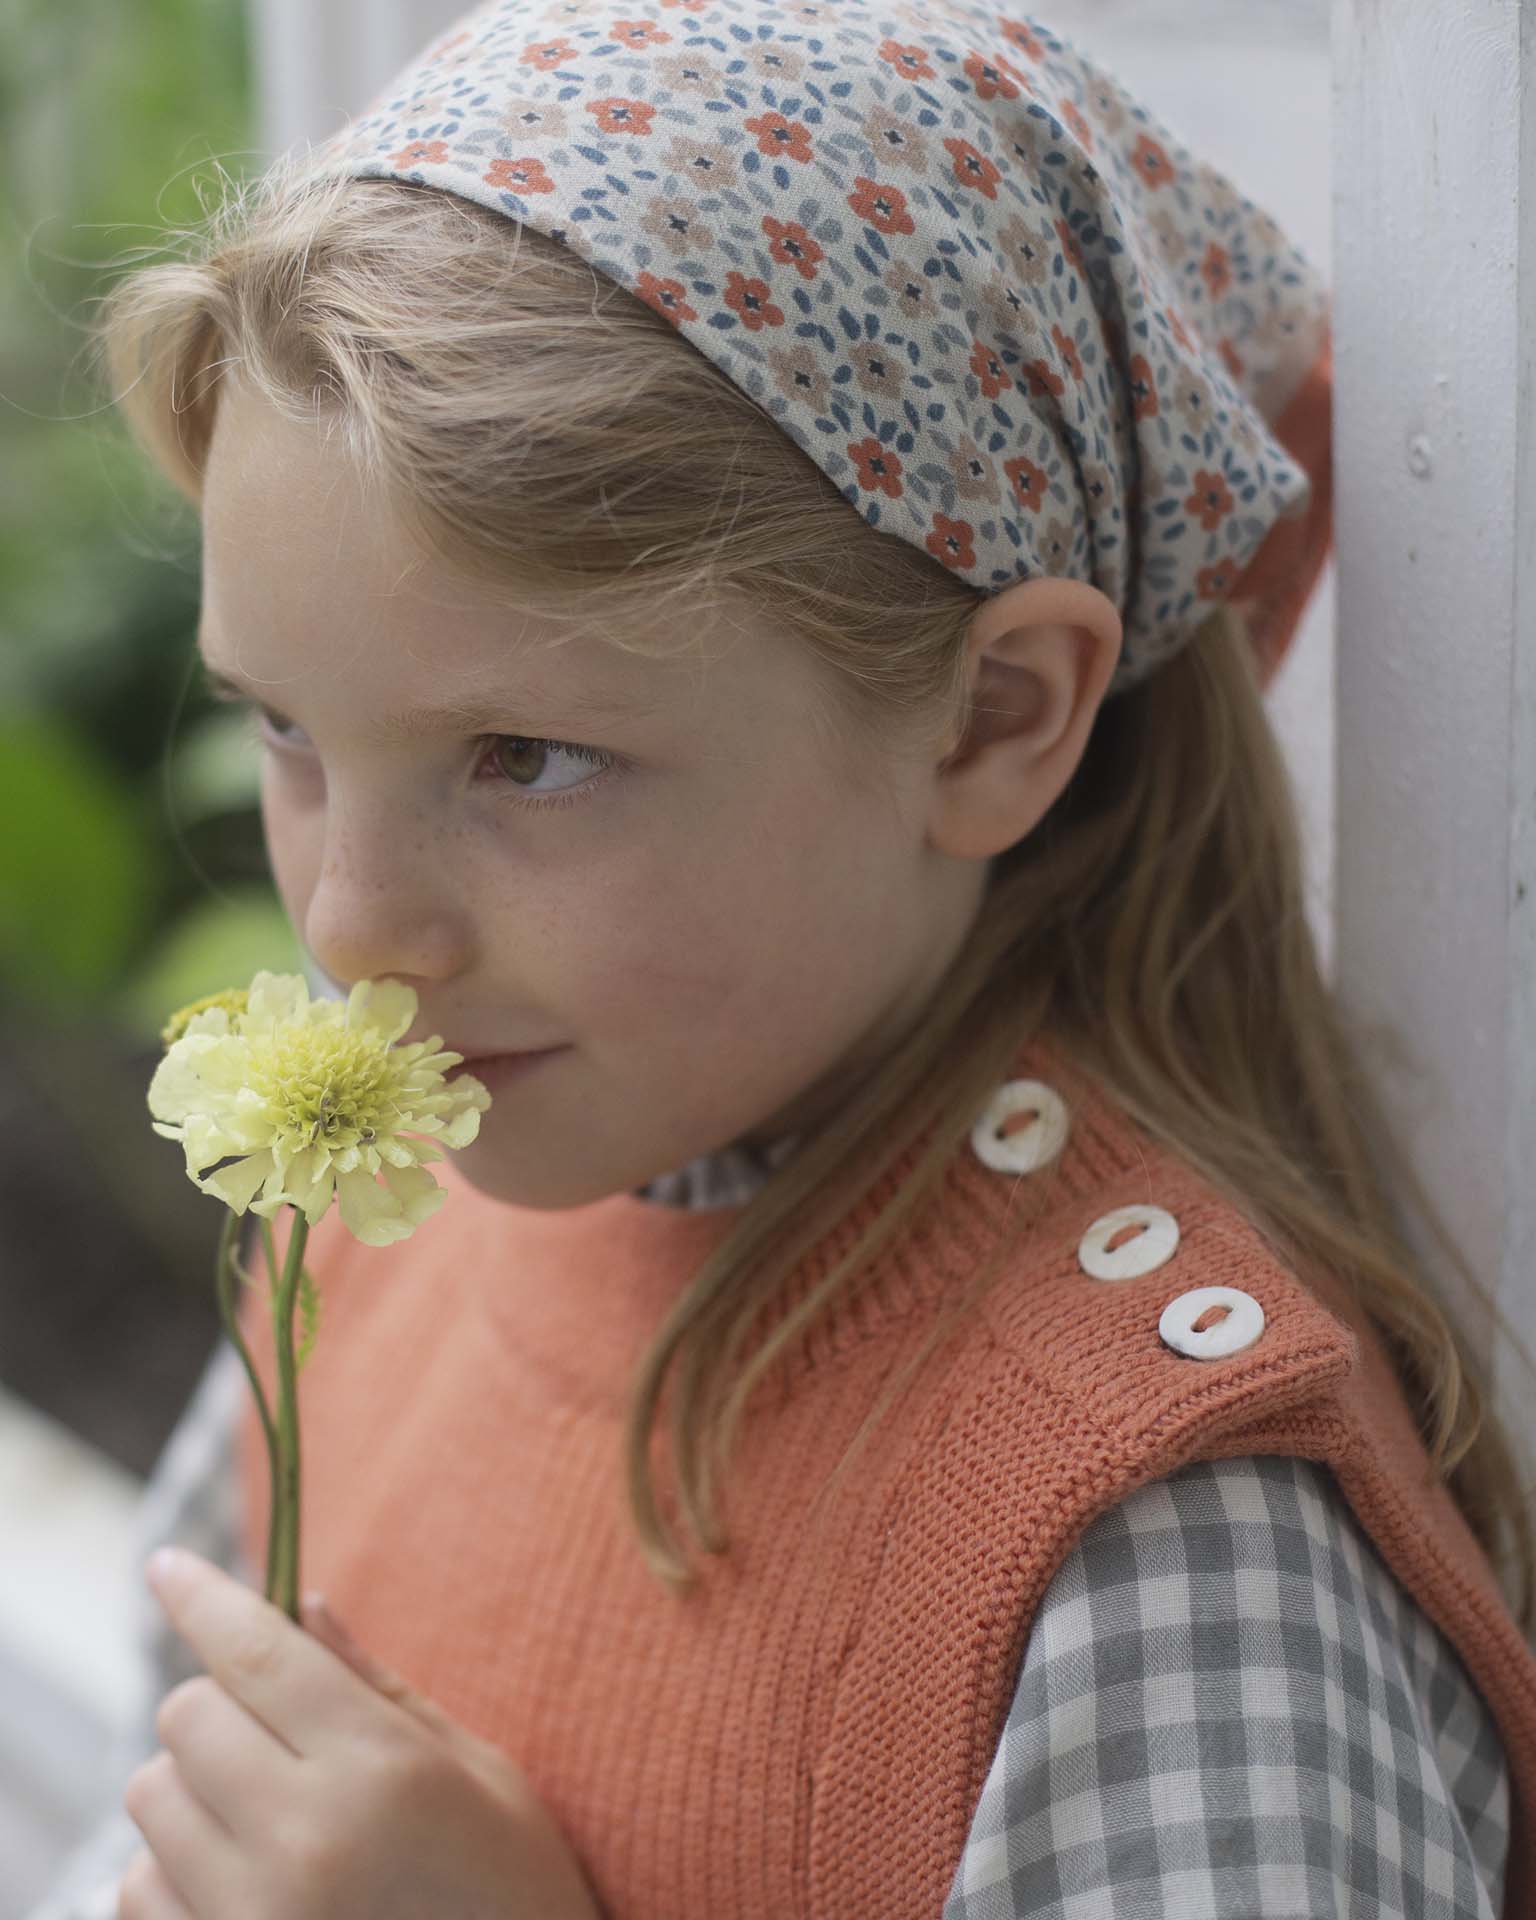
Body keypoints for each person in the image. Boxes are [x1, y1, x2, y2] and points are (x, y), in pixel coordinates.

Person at [30, 2, 1536, 1914]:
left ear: (993, 717)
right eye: (288, 730)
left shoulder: (1144, 1534)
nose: (351, 928)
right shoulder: (372, 1259)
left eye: (529, 758)